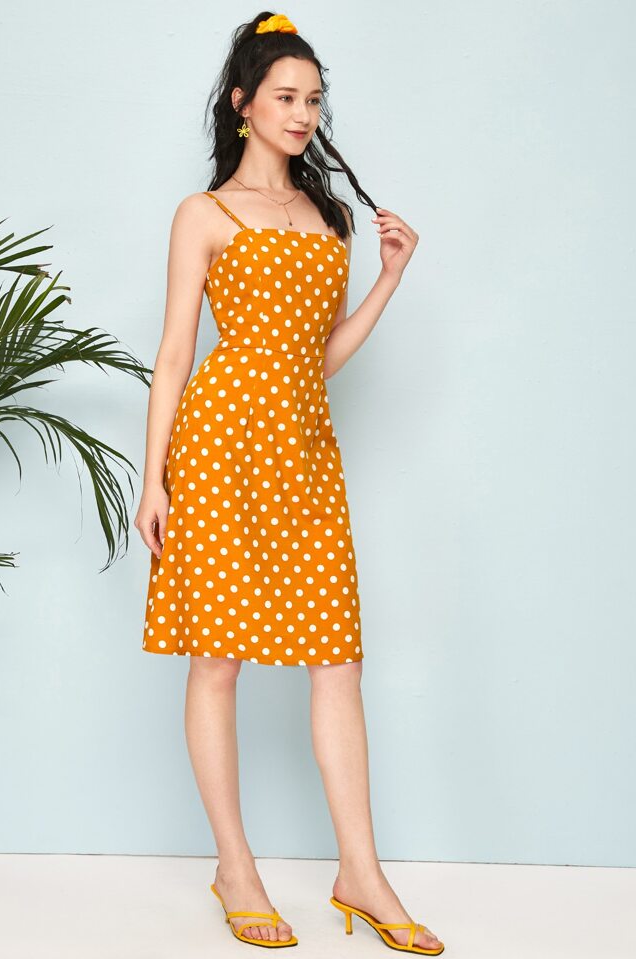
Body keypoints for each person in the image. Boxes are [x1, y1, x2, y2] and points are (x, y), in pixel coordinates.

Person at [134, 11, 442, 954]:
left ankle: (362, 873)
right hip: (220, 449)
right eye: (285, 97)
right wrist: (153, 479)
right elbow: (176, 353)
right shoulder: (204, 214)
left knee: (338, 659)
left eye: (313, 99)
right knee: (216, 659)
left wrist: (388, 279)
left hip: (305, 453)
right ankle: (235, 866)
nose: (303, 113)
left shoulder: (330, 218)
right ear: (243, 105)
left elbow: (321, 357)